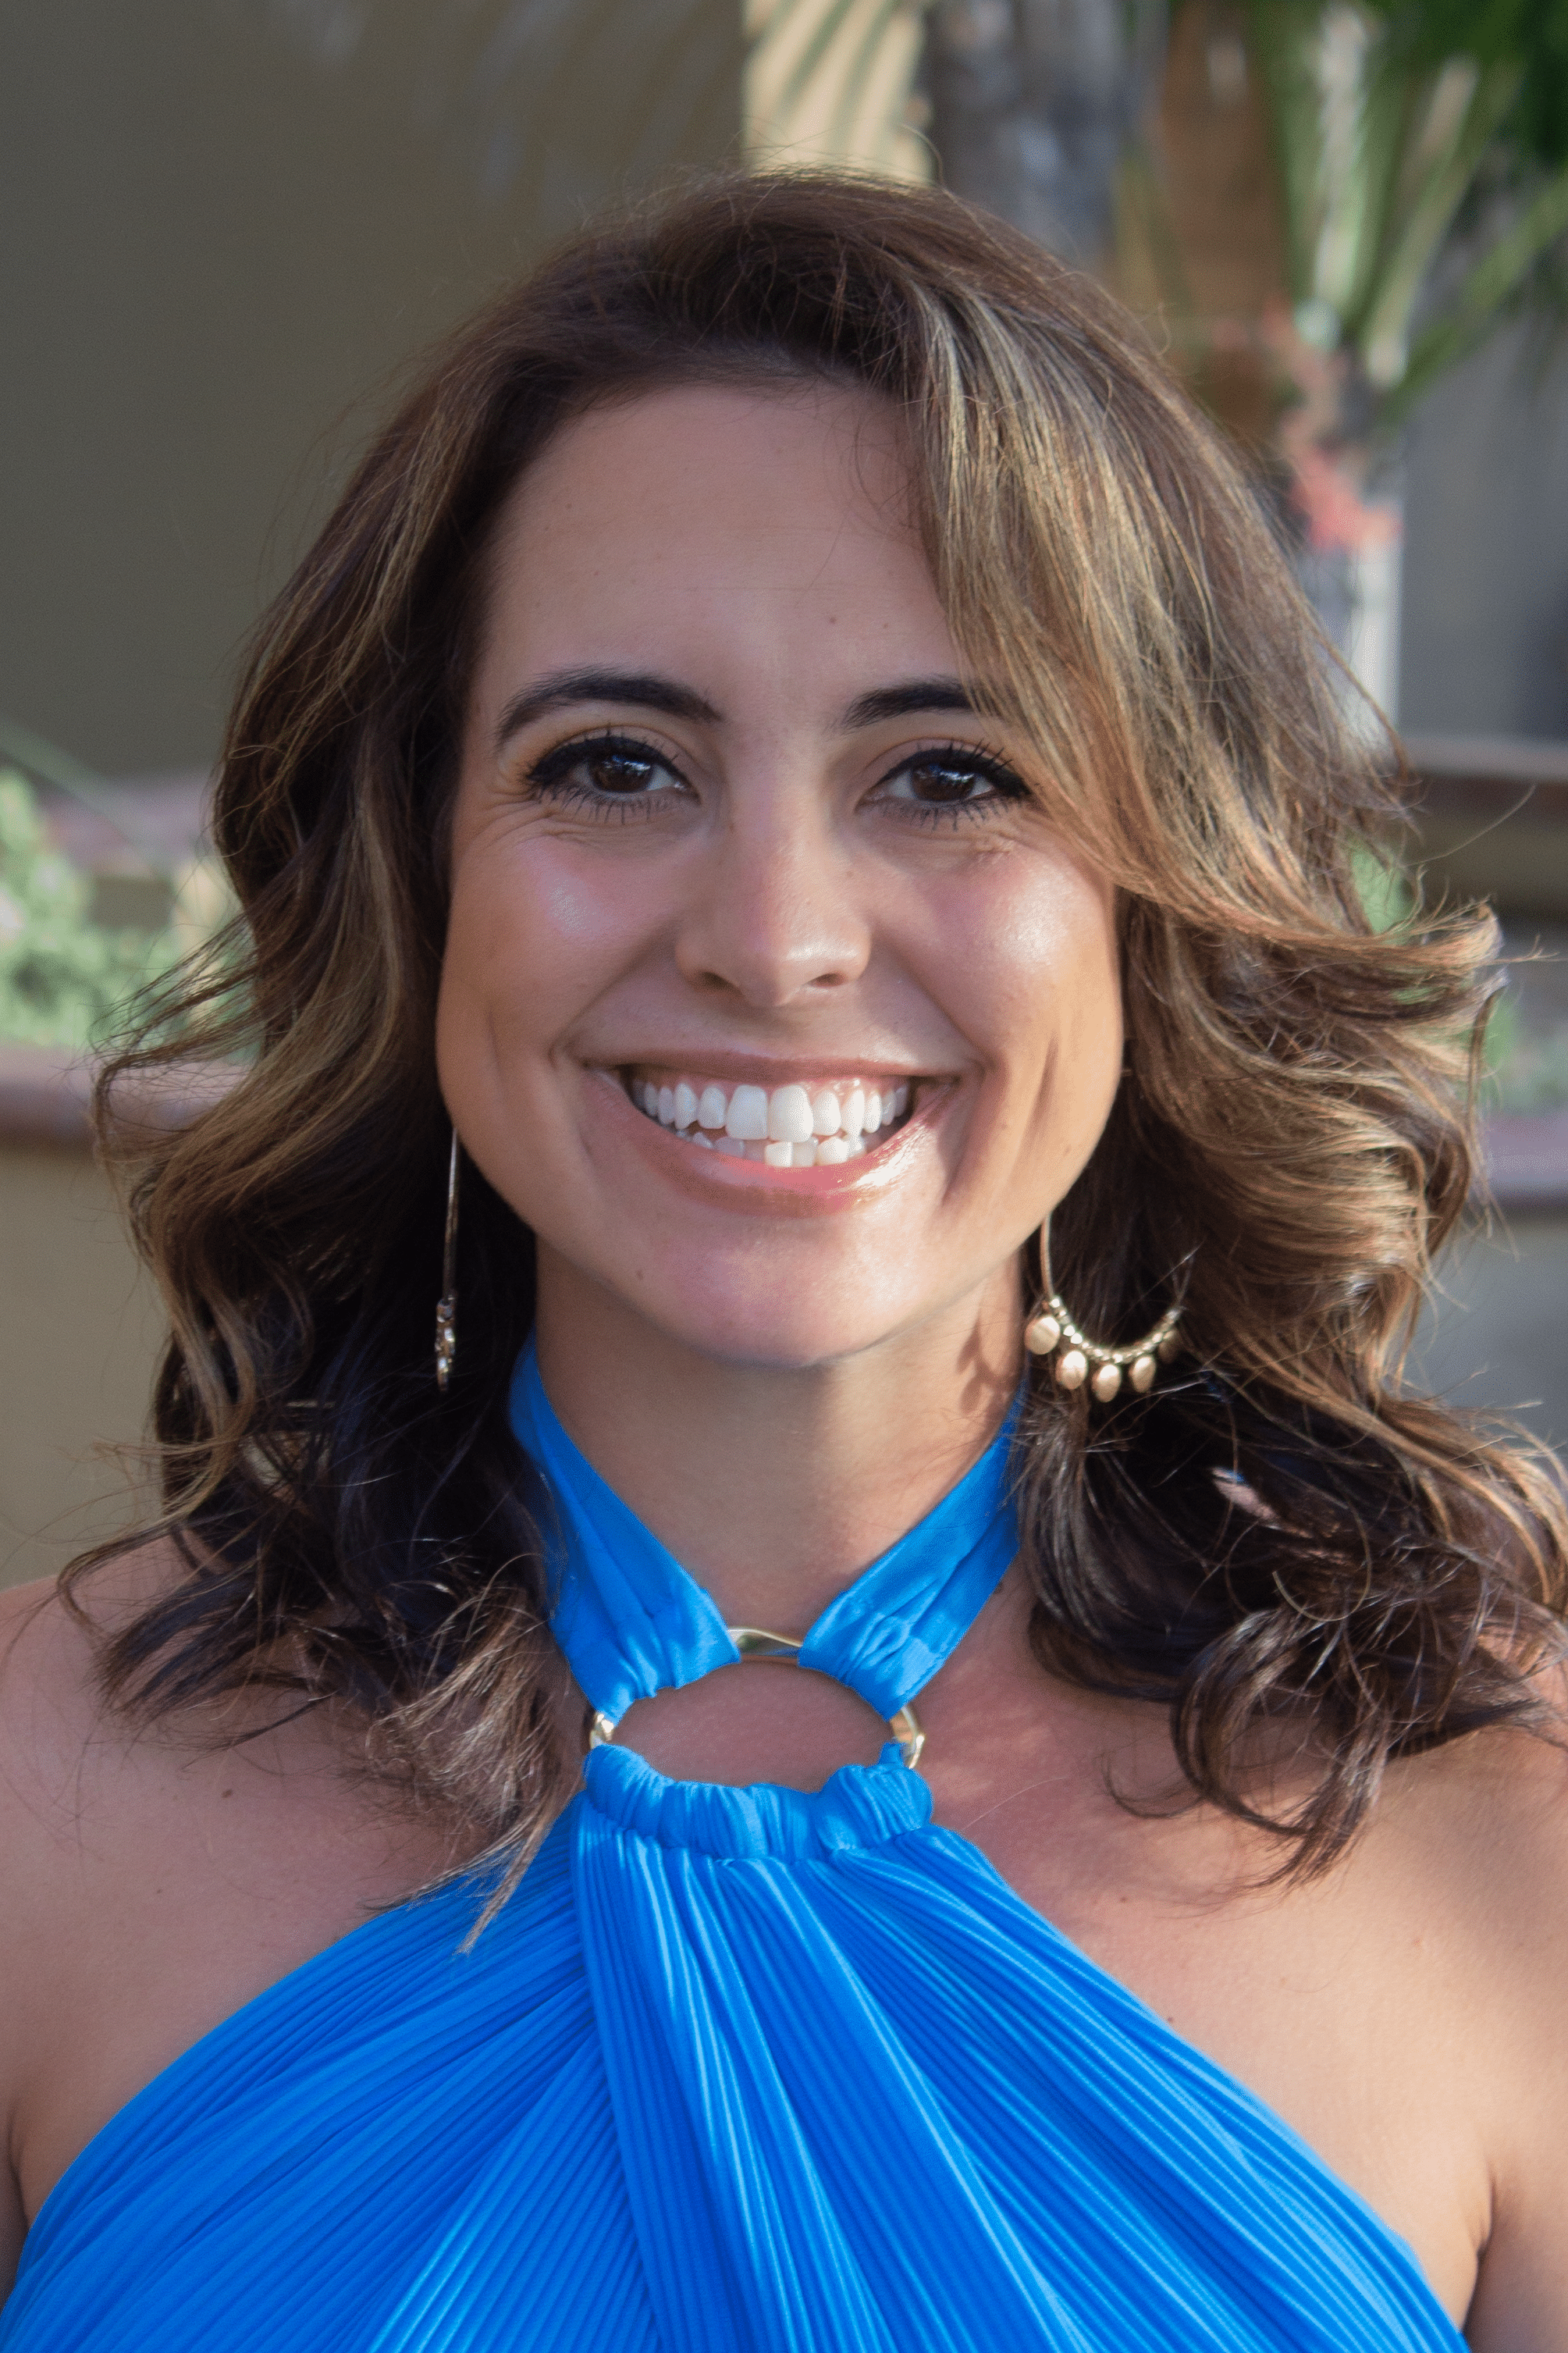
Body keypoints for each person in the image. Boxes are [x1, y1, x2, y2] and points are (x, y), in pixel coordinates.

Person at [0, 172, 1564, 2350]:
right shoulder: (30, 1796)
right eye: (616, 762)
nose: (776, 935)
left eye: (949, 771)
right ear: (419, 862)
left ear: (1154, 901)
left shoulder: (1507, 1831)